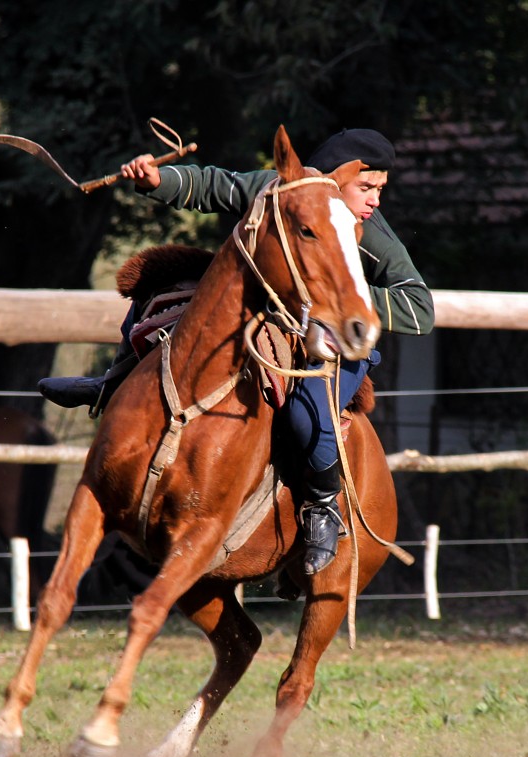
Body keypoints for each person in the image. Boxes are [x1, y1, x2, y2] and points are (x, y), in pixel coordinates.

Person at [39, 128, 435, 576]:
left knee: (307, 414)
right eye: (368, 187)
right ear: (329, 178)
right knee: (156, 291)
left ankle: (323, 507)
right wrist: (155, 181)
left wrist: (337, 293)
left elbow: (420, 308)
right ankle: (111, 382)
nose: (376, 200)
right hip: (258, 314)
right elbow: (213, 186)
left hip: (331, 340)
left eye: (380, 189)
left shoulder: (374, 233)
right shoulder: (275, 190)